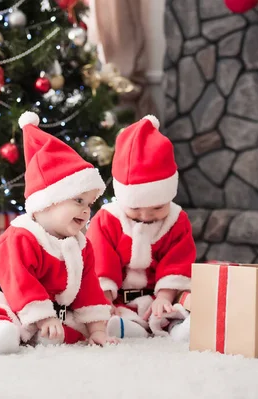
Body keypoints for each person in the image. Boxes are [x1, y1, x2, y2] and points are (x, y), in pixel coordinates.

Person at [0, 111, 117, 353]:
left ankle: (39, 334)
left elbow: (88, 287)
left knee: (73, 331)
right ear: (47, 202)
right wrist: (43, 316)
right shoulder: (20, 237)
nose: (86, 211)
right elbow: (20, 281)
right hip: (4, 297)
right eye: (78, 201)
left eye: (90, 204)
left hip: (47, 312)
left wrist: (97, 329)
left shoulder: (81, 245)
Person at [86, 115, 195, 340]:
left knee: (176, 308)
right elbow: (100, 263)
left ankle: (178, 328)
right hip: (118, 300)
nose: (146, 216)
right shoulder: (107, 220)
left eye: (157, 207)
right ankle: (127, 327)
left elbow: (177, 262)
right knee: (107, 317)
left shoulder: (176, 220)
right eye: (135, 209)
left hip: (159, 297)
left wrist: (165, 296)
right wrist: (105, 301)